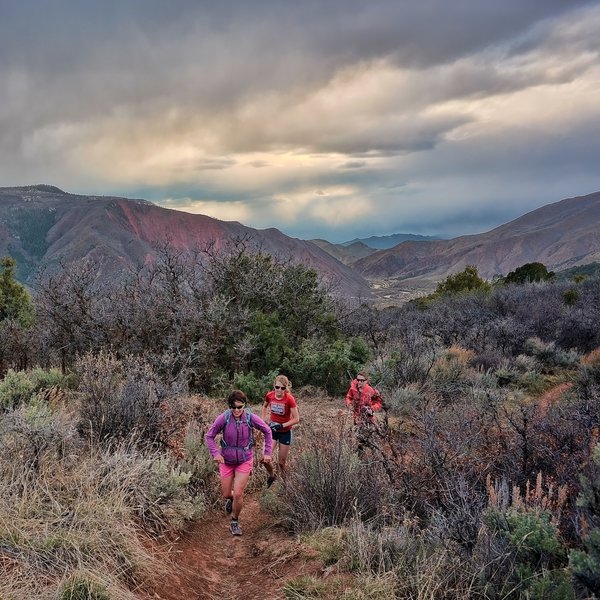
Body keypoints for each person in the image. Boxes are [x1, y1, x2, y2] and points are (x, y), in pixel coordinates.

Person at [205, 390, 273, 536]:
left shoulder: (250, 418)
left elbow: (267, 431)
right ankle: (230, 500)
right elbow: (209, 436)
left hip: (244, 459)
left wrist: (267, 452)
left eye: (239, 407)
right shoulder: (223, 418)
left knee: (238, 494)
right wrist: (215, 454)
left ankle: (234, 522)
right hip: (226, 460)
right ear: (230, 406)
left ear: (244, 406)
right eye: (233, 407)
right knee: (226, 493)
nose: (236, 410)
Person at [261, 375, 300, 487]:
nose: (279, 390)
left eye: (282, 388)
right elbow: (264, 407)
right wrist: (263, 421)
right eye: (277, 387)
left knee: (281, 463)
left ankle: (285, 483)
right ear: (274, 386)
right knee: (265, 458)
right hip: (272, 431)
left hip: (285, 432)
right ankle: (272, 476)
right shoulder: (270, 395)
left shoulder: (289, 399)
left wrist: (282, 425)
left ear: (286, 388)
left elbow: (296, 419)